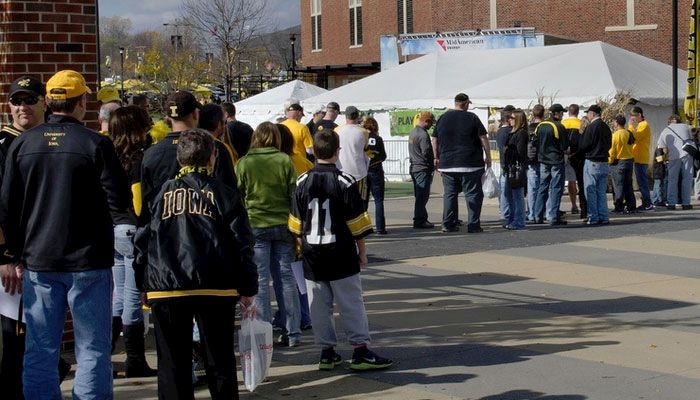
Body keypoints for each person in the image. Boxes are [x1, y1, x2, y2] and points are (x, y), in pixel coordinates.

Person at [0, 70, 130, 398]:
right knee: (92, 349)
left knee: (40, 349)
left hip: (39, 261)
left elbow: (7, 208)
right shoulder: (95, 144)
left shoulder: (23, 144)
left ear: (50, 101)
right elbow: (120, 202)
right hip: (88, 261)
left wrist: (14, 253)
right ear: (81, 102)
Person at [133, 129, 257, 399]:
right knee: (220, 359)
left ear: (179, 158)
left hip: (166, 286)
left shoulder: (157, 196)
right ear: (213, 157)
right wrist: (248, 286)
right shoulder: (225, 194)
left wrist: (141, 282)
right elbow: (242, 244)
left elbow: (141, 243)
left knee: (171, 362)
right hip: (216, 284)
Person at [288, 129, 393, 371]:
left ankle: (327, 352)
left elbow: (295, 224)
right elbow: (357, 224)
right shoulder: (345, 181)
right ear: (338, 152)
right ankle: (360, 350)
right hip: (340, 252)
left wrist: (300, 249)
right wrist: (362, 252)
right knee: (351, 303)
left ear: (314, 151)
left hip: (312, 253)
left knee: (319, 305)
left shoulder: (302, 181)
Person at [0, 75, 72, 398]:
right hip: (16, 262)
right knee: (18, 340)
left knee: (44, 339)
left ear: (44, 102)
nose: (23, 107)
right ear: (8, 106)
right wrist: (4, 256)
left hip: (53, 255)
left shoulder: (56, 140)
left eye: (30, 100)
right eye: (17, 101)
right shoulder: (4, 145)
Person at [235, 122, 302, 347]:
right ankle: (292, 330)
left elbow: (238, 193)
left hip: (256, 223)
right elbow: (293, 193)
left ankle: (263, 330)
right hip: (283, 223)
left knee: (261, 281)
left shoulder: (245, 162)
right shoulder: (284, 160)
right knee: (286, 278)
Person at [107, 105, 157, 378]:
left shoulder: (106, 154)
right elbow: (139, 203)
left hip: (112, 229)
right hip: (131, 229)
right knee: (132, 297)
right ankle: (135, 359)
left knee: (119, 295)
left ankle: (106, 354)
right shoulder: (139, 159)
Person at [141, 91, 236, 223]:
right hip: (206, 230)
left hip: (164, 231)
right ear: (195, 114)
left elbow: (146, 202)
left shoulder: (151, 153)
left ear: (168, 118)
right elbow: (229, 195)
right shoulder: (213, 147)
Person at [432, 93, 492, 233]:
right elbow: (483, 138)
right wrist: (488, 156)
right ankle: (473, 224)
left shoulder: (443, 118)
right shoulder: (472, 118)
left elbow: (434, 138)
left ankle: (448, 224)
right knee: (473, 194)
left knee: (450, 194)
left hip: (448, 163)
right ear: (465, 104)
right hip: (470, 163)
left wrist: (436, 156)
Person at [532, 104, 569, 226]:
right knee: (556, 188)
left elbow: (535, 142)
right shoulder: (558, 126)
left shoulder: (540, 126)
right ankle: (553, 216)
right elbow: (564, 146)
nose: (562, 115)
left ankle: (537, 215)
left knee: (542, 187)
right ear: (556, 114)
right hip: (556, 161)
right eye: (561, 113)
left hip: (543, 160)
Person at [579, 104, 612, 225]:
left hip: (592, 161)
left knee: (591, 191)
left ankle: (593, 216)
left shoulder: (592, 127)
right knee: (601, 191)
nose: (587, 115)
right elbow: (609, 144)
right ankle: (604, 216)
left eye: (588, 113)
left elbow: (584, 145)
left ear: (592, 114)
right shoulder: (606, 127)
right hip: (604, 161)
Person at [657, 114, 695, 210]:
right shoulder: (686, 127)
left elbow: (663, 148)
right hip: (687, 154)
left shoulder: (665, 130)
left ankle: (671, 203)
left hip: (673, 157)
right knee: (687, 179)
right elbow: (694, 133)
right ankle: (686, 203)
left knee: (672, 180)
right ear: (679, 120)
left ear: (669, 122)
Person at [336, 106, 370, 205]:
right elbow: (365, 147)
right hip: (359, 172)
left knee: (342, 203)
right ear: (357, 116)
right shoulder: (363, 131)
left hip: (341, 171)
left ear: (346, 116)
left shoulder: (337, 130)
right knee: (360, 204)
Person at [502, 109, 529, 230]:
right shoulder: (512, 133)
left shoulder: (521, 133)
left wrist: (509, 151)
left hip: (517, 167)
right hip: (510, 167)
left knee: (517, 195)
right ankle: (512, 219)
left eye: (512, 118)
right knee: (509, 195)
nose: (509, 120)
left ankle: (519, 220)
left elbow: (521, 152)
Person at [408, 111, 436, 229]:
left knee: (419, 196)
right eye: (430, 123)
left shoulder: (413, 132)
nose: (431, 126)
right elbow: (426, 152)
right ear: (426, 121)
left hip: (414, 167)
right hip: (422, 168)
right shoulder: (423, 135)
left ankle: (421, 218)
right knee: (422, 196)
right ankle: (420, 220)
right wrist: (433, 163)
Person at [363, 117, 388, 234]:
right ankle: (380, 228)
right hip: (376, 170)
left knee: (364, 200)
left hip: (364, 171)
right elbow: (383, 156)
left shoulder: (362, 138)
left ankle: (364, 227)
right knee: (378, 200)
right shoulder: (378, 138)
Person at [609, 115, 637, 213]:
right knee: (628, 185)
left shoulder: (615, 135)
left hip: (619, 162)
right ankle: (631, 206)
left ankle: (619, 206)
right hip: (629, 160)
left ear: (616, 123)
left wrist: (609, 161)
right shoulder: (628, 133)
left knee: (618, 185)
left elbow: (612, 151)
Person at [628, 106, 654, 210]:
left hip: (641, 157)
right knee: (641, 182)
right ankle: (646, 202)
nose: (632, 119)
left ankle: (647, 203)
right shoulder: (640, 125)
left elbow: (634, 137)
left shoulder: (644, 125)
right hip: (638, 157)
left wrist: (630, 125)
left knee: (642, 182)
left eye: (634, 116)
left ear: (639, 115)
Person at [562, 104, 582, 215]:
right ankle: (576, 205)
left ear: (568, 112)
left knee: (568, 180)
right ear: (578, 112)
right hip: (577, 156)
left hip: (565, 154)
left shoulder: (563, 123)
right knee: (576, 180)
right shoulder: (580, 124)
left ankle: (573, 204)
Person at [526, 104, 545, 222]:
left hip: (531, 161)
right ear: (543, 114)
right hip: (543, 160)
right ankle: (541, 213)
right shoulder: (545, 127)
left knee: (532, 188)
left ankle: (532, 213)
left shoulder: (528, 128)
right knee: (544, 187)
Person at [495, 108, 513, 226]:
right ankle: (505, 212)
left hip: (503, 163)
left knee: (504, 188)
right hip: (507, 163)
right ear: (507, 119)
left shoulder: (499, 131)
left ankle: (504, 211)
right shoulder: (507, 131)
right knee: (506, 189)